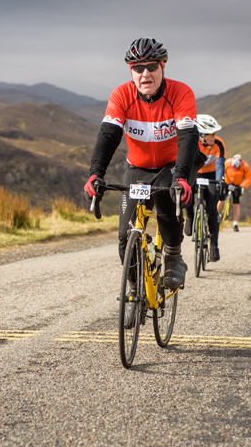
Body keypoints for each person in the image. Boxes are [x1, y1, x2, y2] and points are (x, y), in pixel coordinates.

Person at [84, 37, 200, 323]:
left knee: (166, 197)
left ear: (163, 67)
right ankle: (135, 290)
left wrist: (182, 178)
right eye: (138, 68)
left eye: (151, 67)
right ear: (131, 71)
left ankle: (173, 256)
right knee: (125, 238)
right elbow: (108, 136)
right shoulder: (122, 95)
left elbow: (187, 138)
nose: (145, 74)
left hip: (173, 165)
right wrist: (96, 174)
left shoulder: (180, 92)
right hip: (137, 168)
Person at [184, 114, 225, 261]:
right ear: (201, 135)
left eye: (214, 133)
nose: (214, 136)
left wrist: (219, 182)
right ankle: (190, 216)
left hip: (211, 174)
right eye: (210, 134)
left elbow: (220, 165)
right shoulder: (192, 142)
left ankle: (214, 245)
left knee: (212, 209)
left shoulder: (218, 143)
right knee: (188, 194)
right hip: (195, 172)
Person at [221, 154, 251, 232]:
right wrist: (222, 179)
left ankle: (235, 224)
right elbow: (221, 171)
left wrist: (242, 186)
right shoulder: (227, 162)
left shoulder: (245, 166)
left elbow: (248, 177)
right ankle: (216, 217)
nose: (235, 169)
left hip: (237, 185)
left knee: (236, 205)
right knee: (221, 200)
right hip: (227, 182)